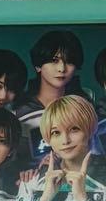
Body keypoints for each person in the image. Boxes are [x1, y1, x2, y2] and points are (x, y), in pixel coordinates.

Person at [14, 30, 93, 166]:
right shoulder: (19, 110)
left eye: (69, 61)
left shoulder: (85, 104)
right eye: (54, 61)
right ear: (38, 66)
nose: (62, 68)